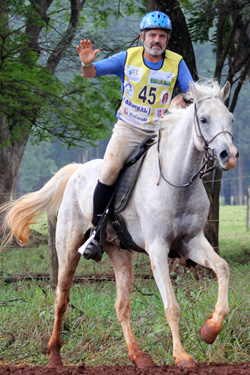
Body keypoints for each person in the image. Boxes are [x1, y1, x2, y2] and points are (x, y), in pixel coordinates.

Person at [76, 11, 194, 261]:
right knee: (108, 171)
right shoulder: (127, 58)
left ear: (167, 39)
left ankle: (185, 230)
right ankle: (97, 232)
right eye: (152, 35)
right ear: (142, 37)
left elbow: (193, 93)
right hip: (128, 129)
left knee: (182, 167)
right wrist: (86, 63)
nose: (157, 40)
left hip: (160, 132)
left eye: (162, 36)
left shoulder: (177, 62)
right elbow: (91, 73)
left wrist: (184, 97)